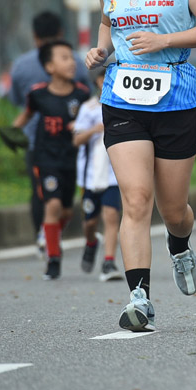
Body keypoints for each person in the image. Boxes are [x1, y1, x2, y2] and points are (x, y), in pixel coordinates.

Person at [86, 0, 196, 331]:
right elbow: (109, 24)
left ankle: (179, 245)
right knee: (136, 198)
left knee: (173, 207)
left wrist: (164, 41)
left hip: (176, 99)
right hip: (123, 98)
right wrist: (101, 51)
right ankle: (139, 298)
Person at [10, 11, 90, 253]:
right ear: (61, 33)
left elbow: (16, 100)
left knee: (41, 193)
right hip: (65, 144)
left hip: (37, 143)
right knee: (53, 195)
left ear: (34, 36)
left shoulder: (20, 66)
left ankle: (43, 235)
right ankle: (47, 242)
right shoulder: (75, 62)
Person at [72, 70, 124, 281]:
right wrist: (95, 129)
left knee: (111, 216)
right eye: (104, 78)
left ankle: (109, 262)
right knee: (90, 222)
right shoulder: (88, 108)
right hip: (91, 176)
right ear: (97, 82)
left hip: (114, 174)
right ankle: (91, 241)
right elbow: (76, 140)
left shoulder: (124, 104)